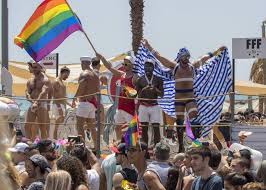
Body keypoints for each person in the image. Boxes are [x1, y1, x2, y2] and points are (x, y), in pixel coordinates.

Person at [143, 39, 225, 152]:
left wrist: (217, 51)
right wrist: (148, 45)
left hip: (190, 98)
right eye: (184, 56)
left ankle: (196, 142)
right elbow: (159, 57)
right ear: (180, 57)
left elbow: (205, 57)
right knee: (180, 122)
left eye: (188, 56)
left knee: (194, 118)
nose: (186, 59)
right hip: (179, 99)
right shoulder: (175, 67)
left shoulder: (192, 66)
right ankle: (181, 146)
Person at [97, 53, 137, 140]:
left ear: (132, 65)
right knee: (117, 128)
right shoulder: (122, 75)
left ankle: (131, 147)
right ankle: (120, 145)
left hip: (130, 108)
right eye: (123, 64)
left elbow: (136, 94)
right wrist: (102, 57)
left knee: (132, 129)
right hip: (121, 107)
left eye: (126, 64)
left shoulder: (135, 77)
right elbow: (109, 67)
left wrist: (127, 89)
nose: (124, 65)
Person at [135, 59, 164, 146]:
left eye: (150, 66)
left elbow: (162, 95)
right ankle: (145, 150)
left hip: (155, 106)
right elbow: (137, 95)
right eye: (146, 66)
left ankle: (157, 149)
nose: (148, 68)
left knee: (156, 128)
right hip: (143, 106)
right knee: (144, 129)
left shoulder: (158, 79)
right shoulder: (140, 80)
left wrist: (155, 89)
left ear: (153, 67)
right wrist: (144, 89)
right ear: (143, 67)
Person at [72, 56, 100, 146]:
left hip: (84, 102)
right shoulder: (95, 75)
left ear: (85, 63)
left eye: (81, 63)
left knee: (79, 126)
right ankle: (96, 147)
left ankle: (82, 147)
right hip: (92, 103)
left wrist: (74, 98)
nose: (81, 65)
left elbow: (81, 87)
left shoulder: (84, 74)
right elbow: (97, 89)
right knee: (92, 127)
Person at [25, 62, 52, 140]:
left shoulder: (46, 80)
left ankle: (44, 146)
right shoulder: (30, 80)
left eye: (36, 67)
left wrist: (37, 102)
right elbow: (27, 92)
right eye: (33, 67)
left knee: (42, 126)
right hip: (32, 104)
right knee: (27, 125)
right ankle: (28, 144)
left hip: (41, 104)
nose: (34, 69)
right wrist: (32, 101)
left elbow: (44, 92)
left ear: (41, 67)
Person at [52, 66, 71, 139]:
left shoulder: (61, 82)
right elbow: (55, 96)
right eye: (67, 75)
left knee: (61, 124)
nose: (67, 77)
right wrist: (59, 107)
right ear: (63, 73)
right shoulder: (56, 82)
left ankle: (58, 139)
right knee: (58, 124)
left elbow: (62, 97)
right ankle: (55, 140)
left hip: (62, 105)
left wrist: (70, 104)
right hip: (58, 105)